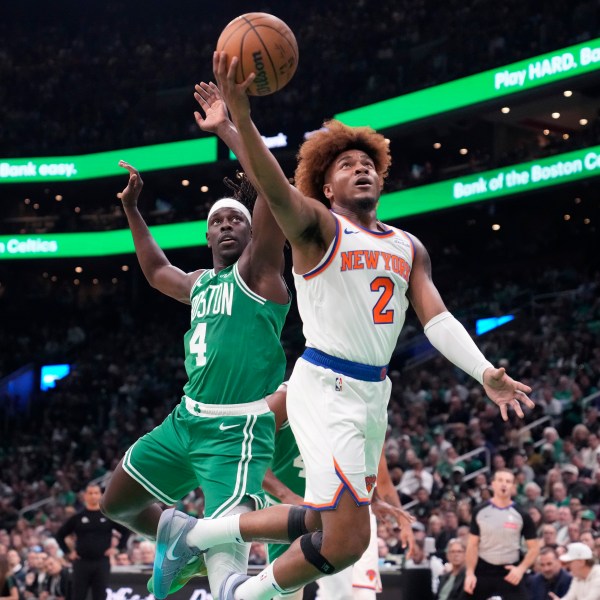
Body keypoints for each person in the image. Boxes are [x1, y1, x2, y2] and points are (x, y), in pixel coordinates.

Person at [152, 52, 534, 600]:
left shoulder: (409, 246)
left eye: (368, 163)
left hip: (373, 392)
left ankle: (194, 536)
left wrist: (482, 373)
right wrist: (237, 120)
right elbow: (272, 184)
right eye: (346, 164)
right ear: (325, 188)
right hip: (324, 387)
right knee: (345, 536)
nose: (361, 168)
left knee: (339, 539)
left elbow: (438, 318)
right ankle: (235, 590)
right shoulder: (317, 229)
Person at [99, 81, 290, 600]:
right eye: (217, 221)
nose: (227, 224)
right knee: (115, 503)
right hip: (186, 420)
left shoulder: (261, 275)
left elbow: (274, 193)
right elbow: (158, 269)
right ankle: (179, 533)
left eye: (237, 220)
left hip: (237, 428)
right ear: (207, 237)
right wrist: (133, 211)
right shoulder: (200, 284)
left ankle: (217, 560)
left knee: (231, 566)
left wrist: (229, 127)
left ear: (252, 235)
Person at [263, 383, 414, 600]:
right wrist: (288, 496)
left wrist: (375, 498)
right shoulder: (284, 398)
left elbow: (365, 462)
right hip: (286, 511)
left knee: (342, 593)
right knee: (286, 595)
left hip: (331, 507)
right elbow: (249, 459)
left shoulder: (353, 402)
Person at [464, 469, 540, 600]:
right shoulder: (479, 511)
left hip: (510, 570)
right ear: (493, 484)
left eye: (508, 481)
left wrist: (520, 569)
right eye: (500, 480)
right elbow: (472, 545)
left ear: (513, 487)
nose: (504, 484)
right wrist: (470, 573)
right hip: (483, 569)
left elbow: (534, 548)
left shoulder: (522, 515)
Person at [55, 484, 129, 600]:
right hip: (81, 562)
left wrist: (118, 548)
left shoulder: (108, 516)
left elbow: (126, 531)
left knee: (100, 596)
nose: (93, 496)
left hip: (101, 562)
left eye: (96, 493)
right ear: (85, 496)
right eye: (90, 493)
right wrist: (68, 552)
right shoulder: (78, 517)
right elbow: (59, 535)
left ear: (101, 495)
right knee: (78, 595)